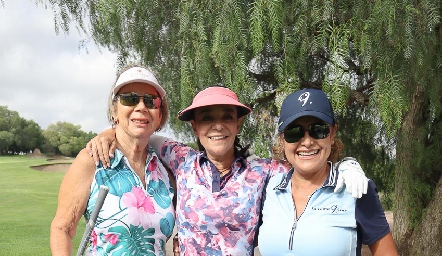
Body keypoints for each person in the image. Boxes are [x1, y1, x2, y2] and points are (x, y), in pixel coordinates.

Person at [88, 86, 368, 255]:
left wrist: (346, 164)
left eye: (227, 117)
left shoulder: (262, 171)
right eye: (207, 118)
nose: (217, 125)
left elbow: (309, 158)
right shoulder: (182, 161)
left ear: (238, 125)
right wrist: (111, 133)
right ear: (195, 127)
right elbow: (144, 136)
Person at [50, 66, 176, 255]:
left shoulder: (166, 169)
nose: (141, 107)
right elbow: (62, 229)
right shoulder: (92, 160)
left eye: (151, 101)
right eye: (129, 99)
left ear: (159, 116)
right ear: (114, 111)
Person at [257, 88, 398, 255]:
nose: (307, 142)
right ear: (282, 139)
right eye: (294, 132)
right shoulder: (270, 188)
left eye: (318, 130)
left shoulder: (355, 189)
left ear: (332, 134)